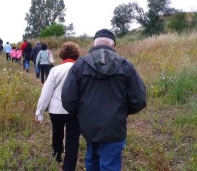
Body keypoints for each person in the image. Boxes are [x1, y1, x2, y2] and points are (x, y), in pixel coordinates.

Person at [61, 29, 147, 171]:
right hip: (115, 127)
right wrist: (121, 112)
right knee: (110, 165)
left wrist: (82, 114)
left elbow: (68, 99)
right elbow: (139, 99)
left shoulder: (80, 65)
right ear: (113, 44)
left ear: (94, 43)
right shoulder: (126, 65)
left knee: (92, 160)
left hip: (89, 125)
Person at [35, 42, 81, 171]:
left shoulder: (55, 70)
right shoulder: (81, 69)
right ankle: (69, 166)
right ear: (77, 54)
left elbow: (46, 92)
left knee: (57, 132)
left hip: (56, 109)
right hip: (75, 109)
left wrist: (39, 112)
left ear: (61, 54)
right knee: (73, 137)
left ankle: (57, 155)